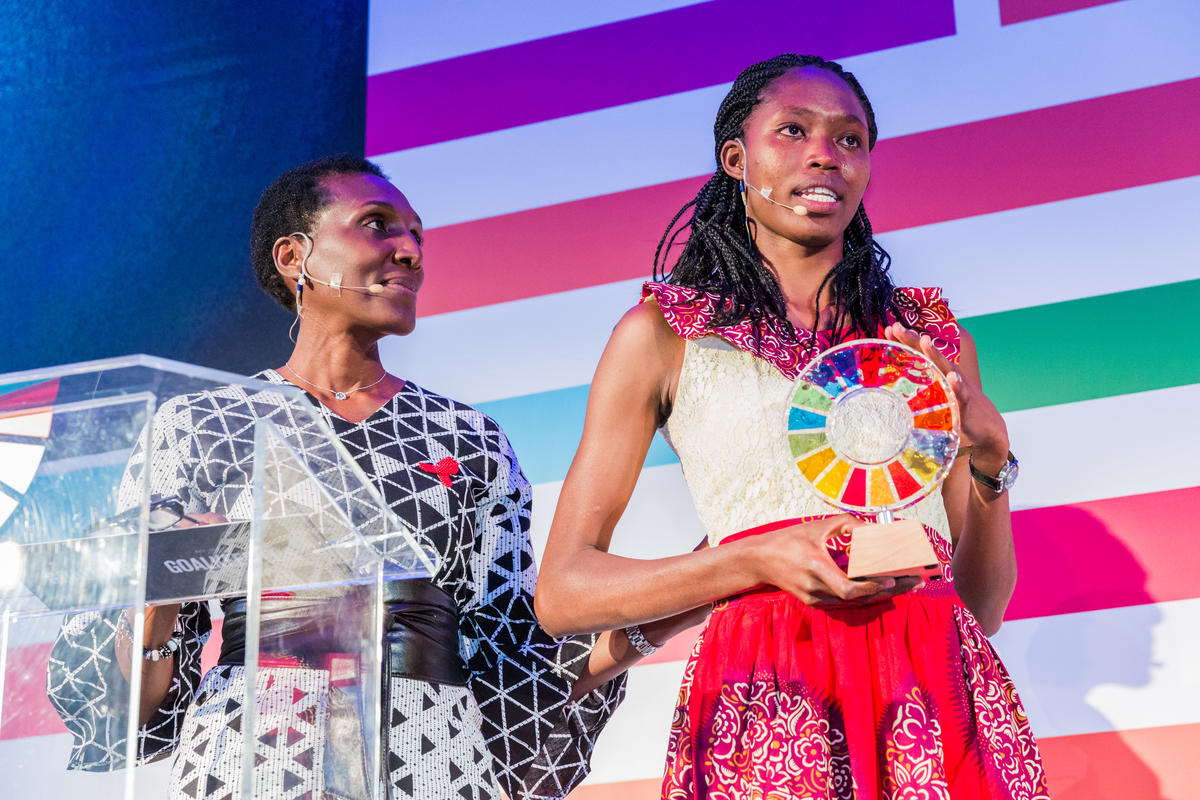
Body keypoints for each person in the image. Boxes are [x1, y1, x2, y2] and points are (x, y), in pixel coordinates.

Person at [46, 155, 702, 800]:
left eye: (417, 236)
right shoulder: (201, 425)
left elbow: (514, 665)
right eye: (377, 225)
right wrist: (155, 598)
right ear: (293, 257)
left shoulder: (469, 439)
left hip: (431, 766)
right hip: (254, 761)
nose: (410, 252)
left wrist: (680, 597)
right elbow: (128, 712)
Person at [534, 55, 1049, 798]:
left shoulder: (927, 341)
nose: (825, 154)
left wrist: (992, 462)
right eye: (793, 130)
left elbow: (984, 607)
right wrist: (753, 560)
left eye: (850, 140)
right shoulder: (665, 336)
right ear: (735, 159)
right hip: (770, 693)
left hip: (936, 690)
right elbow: (565, 592)